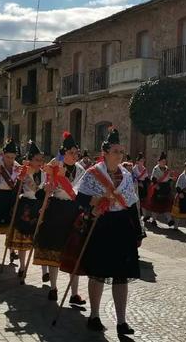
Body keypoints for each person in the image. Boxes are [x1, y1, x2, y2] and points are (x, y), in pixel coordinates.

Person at [69, 128, 143, 335]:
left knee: (122, 275)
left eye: (122, 151)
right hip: (100, 224)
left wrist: (138, 232)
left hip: (121, 226)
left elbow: (132, 204)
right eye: (116, 151)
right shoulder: (93, 174)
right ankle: (94, 316)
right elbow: (80, 199)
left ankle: (121, 321)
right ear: (106, 152)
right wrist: (96, 201)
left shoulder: (127, 176)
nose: (120, 155)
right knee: (98, 273)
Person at [33, 131, 86, 304]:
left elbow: (81, 193)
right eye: (72, 152)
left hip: (73, 211)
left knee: (74, 252)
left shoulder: (81, 170)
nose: (75, 155)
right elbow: (41, 192)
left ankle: (74, 294)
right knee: (54, 250)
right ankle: (54, 288)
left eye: (76, 152)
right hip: (56, 210)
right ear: (64, 153)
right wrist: (46, 188)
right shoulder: (54, 167)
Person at [7, 140, 49, 282]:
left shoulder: (44, 174)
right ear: (30, 160)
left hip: (39, 206)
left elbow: (45, 191)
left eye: (41, 160)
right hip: (26, 206)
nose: (40, 162)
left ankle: (45, 272)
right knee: (23, 239)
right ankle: (22, 267)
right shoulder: (24, 172)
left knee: (40, 238)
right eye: (37, 160)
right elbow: (17, 188)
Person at [144, 152, 174, 226]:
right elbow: (153, 178)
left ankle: (169, 220)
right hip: (158, 188)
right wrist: (156, 185)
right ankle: (154, 220)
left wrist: (171, 179)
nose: (164, 162)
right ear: (159, 162)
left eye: (165, 161)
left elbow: (168, 178)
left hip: (166, 188)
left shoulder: (167, 169)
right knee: (156, 206)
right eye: (162, 161)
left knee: (166, 205)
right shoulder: (156, 169)